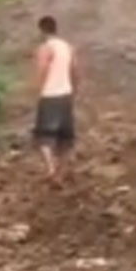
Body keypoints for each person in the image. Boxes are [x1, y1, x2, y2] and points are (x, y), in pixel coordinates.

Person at [32, 16, 79, 181]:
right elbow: (75, 70)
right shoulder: (68, 47)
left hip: (50, 95)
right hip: (65, 94)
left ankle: (51, 168)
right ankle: (64, 168)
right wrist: (73, 89)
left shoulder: (45, 48)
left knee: (45, 134)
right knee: (66, 136)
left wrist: (37, 89)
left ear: (42, 31)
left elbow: (42, 69)